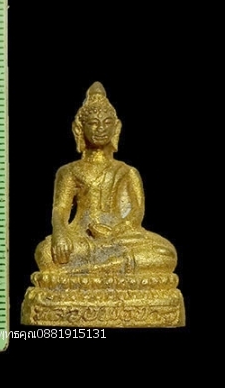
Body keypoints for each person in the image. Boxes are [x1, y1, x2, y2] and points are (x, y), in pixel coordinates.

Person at [34, 82, 177, 274]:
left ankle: (93, 269)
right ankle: (110, 267)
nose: (100, 128)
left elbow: (136, 212)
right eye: (93, 123)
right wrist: (60, 234)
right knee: (44, 253)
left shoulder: (127, 171)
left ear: (116, 128)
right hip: (82, 237)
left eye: (107, 123)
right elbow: (60, 209)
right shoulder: (69, 171)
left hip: (120, 238)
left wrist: (114, 233)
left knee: (165, 253)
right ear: (79, 128)